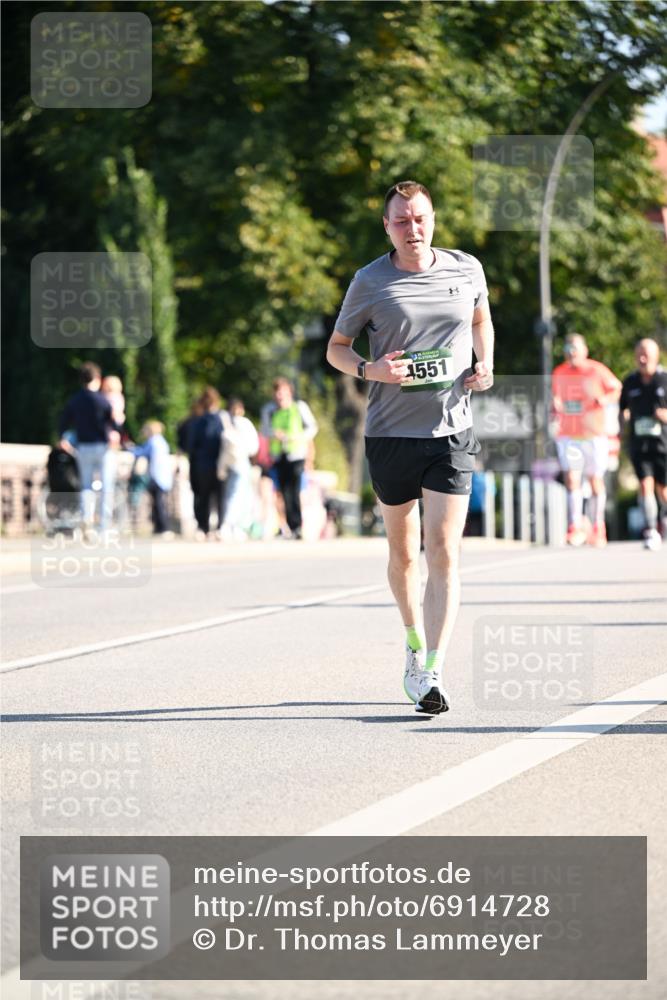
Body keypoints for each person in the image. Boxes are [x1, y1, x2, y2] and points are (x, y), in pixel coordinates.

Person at [326, 179, 494, 715]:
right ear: (387, 227)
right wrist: (369, 370)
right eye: (401, 221)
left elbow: (480, 320)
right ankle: (414, 642)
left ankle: (434, 671)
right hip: (390, 434)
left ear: (433, 219)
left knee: (443, 549)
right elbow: (336, 348)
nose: (412, 228)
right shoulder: (370, 281)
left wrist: (486, 363)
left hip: (451, 431)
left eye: (420, 218)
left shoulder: (466, 269)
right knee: (403, 555)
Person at [551, 333, 622, 547]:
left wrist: (604, 399)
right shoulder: (559, 372)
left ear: (584, 350)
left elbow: (617, 388)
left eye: (575, 348)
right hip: (569, 435)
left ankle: (598, 526)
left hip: (593, 434)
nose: (571, 352)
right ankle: (575, 526)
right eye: (568, 349)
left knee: (594, 480)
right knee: (572, 478)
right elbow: (556, 398)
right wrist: (555, 405)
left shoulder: (596, 370)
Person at [620, 338, 667, 551]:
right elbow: (622, 408)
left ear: (656, 356)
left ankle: (663, 519)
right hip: (639, 444)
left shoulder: (664, 379)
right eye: (639, 354)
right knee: (645, 485)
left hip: (663, 443)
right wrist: (623, 423)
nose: (642, 358)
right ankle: (651, 530)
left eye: (646, 354)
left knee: (663, 490)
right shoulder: (630, 382)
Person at [58, 362, 117, 532]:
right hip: (102, 447)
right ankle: (104, 526)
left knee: (86, 486)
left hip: (83, 447)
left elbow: (63, 421)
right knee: (106, 486)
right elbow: (114, 424)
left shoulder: (75, 400)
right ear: (97, 378)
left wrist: (62, 437)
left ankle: (86, 518)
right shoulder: (102, 400)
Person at [260, 378, 318, 540]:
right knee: (283, 492)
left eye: (283, 393)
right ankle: (289, 527)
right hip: (279, 455)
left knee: (295, 490)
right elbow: (264, 430)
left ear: (289, 393)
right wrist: (274, 433)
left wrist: (298, 437)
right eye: (277, 393)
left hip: (296, 454)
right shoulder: (269, 410)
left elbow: (312, 427)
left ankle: (297, 526)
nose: (280, 397)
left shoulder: (299, 407)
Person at [218, 397, 260, 540]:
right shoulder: (244, 423)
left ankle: (230, 526)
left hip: (229, 464)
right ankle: (231, 525)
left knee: (231, 494)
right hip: (241, 463)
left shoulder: (225, 423)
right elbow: (253, 447)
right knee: (239, 495)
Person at [189, 387, 226, 539]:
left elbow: (192, 445)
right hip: (215, 464)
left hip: (204, 464)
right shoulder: (220, 419)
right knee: (217, 497)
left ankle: (204, 527)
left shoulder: (199, 421)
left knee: (204, 497)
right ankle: (216, 528)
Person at [131, 421, 174, 537]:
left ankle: (163, 528)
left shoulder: (153, 441)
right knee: (159, 503)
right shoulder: (161, 441)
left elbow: (141, 452)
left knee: (159, 504)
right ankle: (160, 528)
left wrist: (130, 448)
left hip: (157, 476)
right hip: (163, 476)